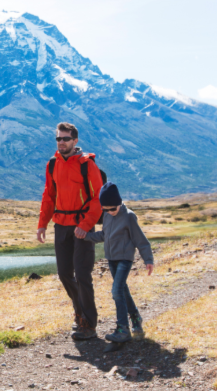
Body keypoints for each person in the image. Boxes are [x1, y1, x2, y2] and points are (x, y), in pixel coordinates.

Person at [37, 122, 103, 340]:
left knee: (83, 274)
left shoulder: (87, 165)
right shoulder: (53, 164)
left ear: (75, 141)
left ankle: (89, 324)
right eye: (58, 138)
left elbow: (97, 199)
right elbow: (49, 195)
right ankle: (79, 311)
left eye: (65, 138)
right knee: (64, 273)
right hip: (61, 226)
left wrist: (85, 226)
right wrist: (42, 224)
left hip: (82, 226)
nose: (61, 142)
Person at [77, 182, 155, 342]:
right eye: (106, 209)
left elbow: (140, 239)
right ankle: (136, 319)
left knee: (116, 291)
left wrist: (148, 258)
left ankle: (122, 329)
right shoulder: (107, 215)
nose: (110, 212)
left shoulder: (129, 216)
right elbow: (104, 235)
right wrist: (86, 236)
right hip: (111, 259)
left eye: (113, 208)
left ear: (119, 202)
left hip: (124, 260)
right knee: (123, 291)